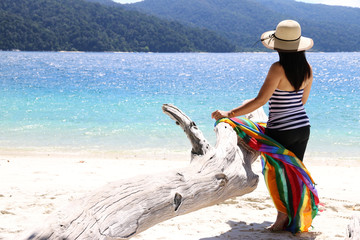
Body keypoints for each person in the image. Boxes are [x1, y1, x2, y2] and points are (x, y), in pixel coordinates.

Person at [211, 19, 314, 231]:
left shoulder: (277, 68)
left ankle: (281, 218)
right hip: (303, 128)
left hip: (280, 131)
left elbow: (260, 101)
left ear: (279, 46)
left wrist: (229, 114)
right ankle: (295, 218)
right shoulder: (307, 68)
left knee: (274, 173)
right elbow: (301, 101)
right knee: (293, 173)